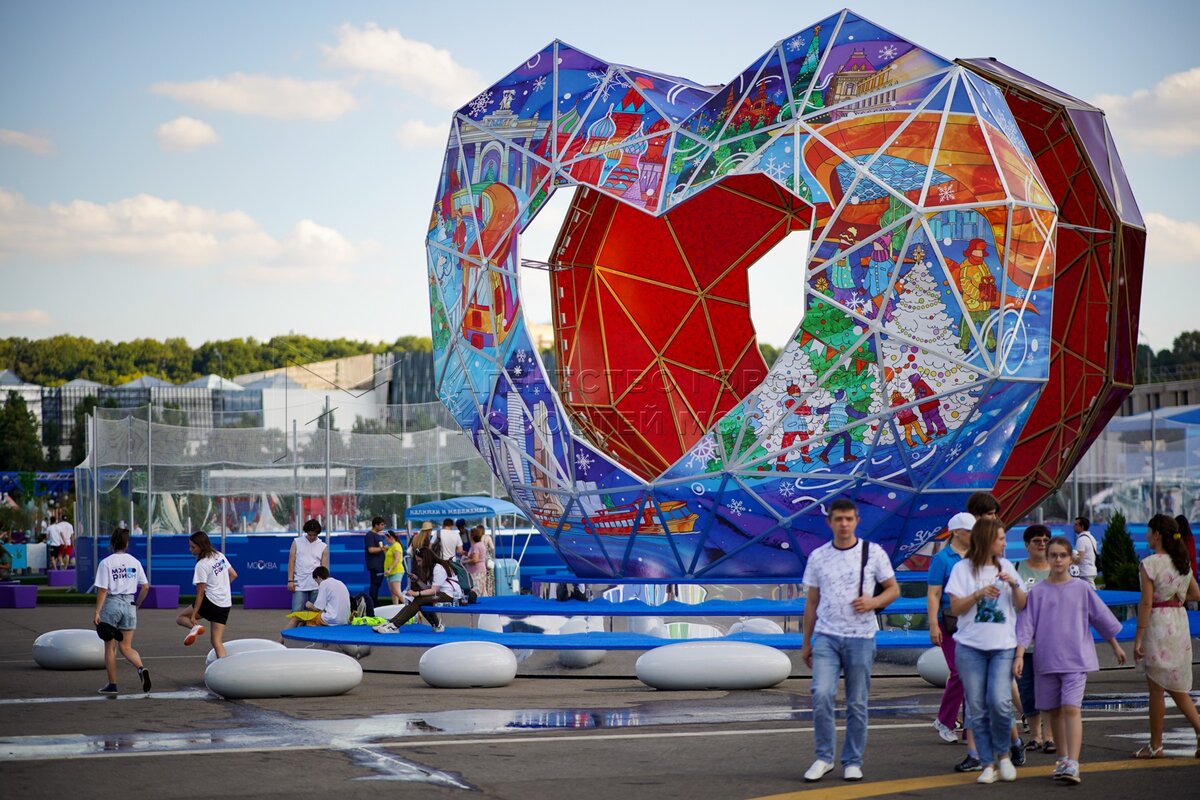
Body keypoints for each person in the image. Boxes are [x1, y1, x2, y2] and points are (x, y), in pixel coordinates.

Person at [799, 498, 899, 783]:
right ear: (829, 522)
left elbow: (893, 589)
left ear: (856, 521)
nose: (844, 524)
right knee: (821, 694)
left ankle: (853, 760)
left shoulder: (873, 552)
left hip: (861, 637)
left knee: (857, 701)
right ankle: (824, 757)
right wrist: (806, 642)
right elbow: (812, 602)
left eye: (849, 519)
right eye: (838, 519)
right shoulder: (818, 556)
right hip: (827, 636)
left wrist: (873, 602)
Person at [1014, 536, 1125, 784]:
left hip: (1076, 659)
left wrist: (1115, 645)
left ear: (1070, 559)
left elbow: (1100, 617)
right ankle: (1063, 760)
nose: (1057, 560)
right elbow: (1026, 625)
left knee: (1071, 708)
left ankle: (1073, 762)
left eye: (1062, 555)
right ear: (1048, 558)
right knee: (1053, 711)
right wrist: (1019, 654)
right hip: (1046, 660)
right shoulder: (1038, 592)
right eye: (1053, 555)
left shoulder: (1082, 588)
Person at [946, 516, 1027, 784]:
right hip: (970, 647)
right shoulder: (962, 569)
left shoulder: (1007, 566)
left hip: (1003, 647)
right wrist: (978, 594)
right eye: (1001, 539)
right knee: (977, 708)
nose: (1005, 543)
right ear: (987, 540)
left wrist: (1013, 584)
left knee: (999, 702)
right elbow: (955, 608)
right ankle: (987, 763)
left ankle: (1004, 756)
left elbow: (1022, 604)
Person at [1132, 513, 1200, 759]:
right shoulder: (1182, 562)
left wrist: (1138, 636)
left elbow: (1146, 603)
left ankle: (1156, 745)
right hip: (1178, 623)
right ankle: (1165, 742)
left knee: (1157, 687)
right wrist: (1176, 598)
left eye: (1149, 532)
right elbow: (1196, 594)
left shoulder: (1149, 564)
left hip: (1158, 626)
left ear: (1157, 535)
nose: (1147, 536)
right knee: (1174, 685)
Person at [927, 512, 974, 744]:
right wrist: (933, 624)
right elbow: (934, 593)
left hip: (973, 620)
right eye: (969, 531)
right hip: (949, 622)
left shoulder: (976, 556)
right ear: (956, 532)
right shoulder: (942, 559)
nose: (974, 535)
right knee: (959, 672)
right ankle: (945, 720)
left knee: (970, 674)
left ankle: (968, 729)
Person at [92, 528, 152, 695]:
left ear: (112, 543)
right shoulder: (135, 562)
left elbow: (103, 590)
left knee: (110, 648)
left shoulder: (106, 563)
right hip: (130, 604)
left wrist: (97, 611)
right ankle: (141, 668)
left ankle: (112, 685)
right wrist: (137, 604)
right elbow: (145, 587)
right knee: (126, 647)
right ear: (126, 544)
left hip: (112, 603)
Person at [1014, 524, 1055, 755]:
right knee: (1027, 690)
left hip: (1050, 641)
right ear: (1027, 545)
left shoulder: (1056, 569)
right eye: (1037, 540)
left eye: (1046, 540)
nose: (1042, 544)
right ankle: (1035, 736)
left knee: (1047, 689)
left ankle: (1049, 737)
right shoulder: (1016, 569)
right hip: (1023, 641)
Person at [373, 546, 463, 633]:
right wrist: (417, 580)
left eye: (419, 561)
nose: (418, 564)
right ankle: (392, 623)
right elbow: (429, 589)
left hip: (452, 596)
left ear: (426, 559)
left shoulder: (438, 568)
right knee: (419, 600)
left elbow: (434, 590)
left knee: (419, 600)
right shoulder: (432, 567)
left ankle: (394, 626)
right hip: (442, 594)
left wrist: (417, 593)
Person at [176, 531, 237, 658]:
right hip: (225, 604)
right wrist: (222, 587)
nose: (190, 550)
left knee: (181, 618)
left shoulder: (201, 565)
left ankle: (195, 628)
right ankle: (224, 666)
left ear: (201, 546)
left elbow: (200, 594)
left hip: (211, 602)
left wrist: (194, 614)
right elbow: (233, 575)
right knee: (216, 641)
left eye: (193, 547)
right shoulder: (219, 555)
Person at [283, 520, 329, 639]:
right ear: (306, 532)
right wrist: (290, 580)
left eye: (314, 535)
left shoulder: (323, 546)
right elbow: (291, 562)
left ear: (318, 534)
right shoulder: (296, 542)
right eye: (310, 534)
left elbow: (324, 568)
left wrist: (324, 585)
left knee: (315, 615)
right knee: (296, 614)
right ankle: (291, 637)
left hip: (316, 585)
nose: (312, 537)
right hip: (299, 583)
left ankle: (312, 638)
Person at [287, 565, 351, 627]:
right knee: (306, 619)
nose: (317, 584)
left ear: (318, 577)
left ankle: (283, 635)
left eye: (316, 581)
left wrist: (309, 605)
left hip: (332, 619)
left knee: (296, 618)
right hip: (345, 620)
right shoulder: (340, 582)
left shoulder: (323, 583)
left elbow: (317, 609)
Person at [364, 516, 387, 613]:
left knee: (377, 585)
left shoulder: (378, 535)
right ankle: (372, 606)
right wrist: (382, 549)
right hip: (375, 565)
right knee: (374, 586)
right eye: (381, 524)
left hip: (380, 564)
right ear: (376, 525)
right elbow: (371, 549)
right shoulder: (370, 535)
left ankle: (374, 605)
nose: (383, 526)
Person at [1070, 516, 1098, 587]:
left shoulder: (1081, 539)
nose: (1074, 526)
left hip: (1085, 572)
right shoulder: (1091, 537)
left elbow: (1079, 558)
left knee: (1091, 591)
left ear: (1082, 526)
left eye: (1076, 524)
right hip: (1090, 569)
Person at [463, 528, 488, 596]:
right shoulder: (481, 544)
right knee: (482, 589)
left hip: (476, 571)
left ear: (472, 536)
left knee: (476, 590)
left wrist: (464, 562)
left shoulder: (475, 546)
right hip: (481, 569)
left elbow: (475, 559)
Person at [383, 530, 406, 603]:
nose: (386, 539)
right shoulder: (391, 546)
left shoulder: (396, 545)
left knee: (396, 591)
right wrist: (385, 550)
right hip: (390, 572)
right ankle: (395, 606)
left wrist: (390, 569)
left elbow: (397, 559)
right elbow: (389, 558)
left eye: (386, 538)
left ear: (391, 537)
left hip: (396, 571)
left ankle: (408, 605)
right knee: (393, 592)